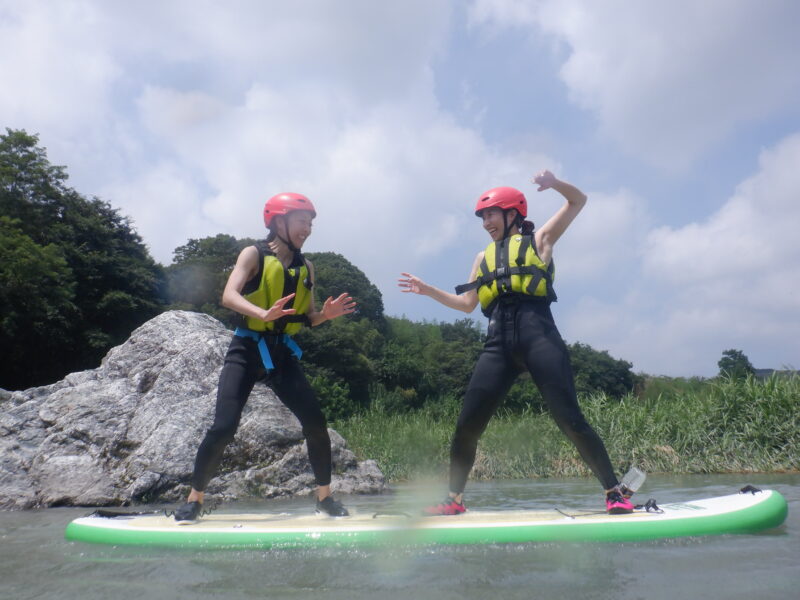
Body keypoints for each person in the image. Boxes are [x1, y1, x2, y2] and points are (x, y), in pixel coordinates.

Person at [398, 170, 635, 515]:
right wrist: (428, 289)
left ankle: (614, 492)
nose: (485, 222)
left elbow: (578, 201)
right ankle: (454, 500)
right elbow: (467, 305)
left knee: (570, 419)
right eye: (482, 217)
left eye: (491, 214)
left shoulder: (540, 240)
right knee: (467, 425)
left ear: (512, 214)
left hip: (539, 337)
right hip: (498, 346)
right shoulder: (483, 259)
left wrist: (554, 184)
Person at [173, 192, 356, 523]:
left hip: (282, 354)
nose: (308, 229)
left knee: (316, 424)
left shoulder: (307, 267)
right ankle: (194, 499)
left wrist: (325, 315)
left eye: (311, 223)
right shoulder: (253, 253)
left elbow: (309, 317)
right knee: (224, 427)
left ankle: (325, 499)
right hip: (246, 349)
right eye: (303, 221)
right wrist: (262, 313)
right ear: (279, 221)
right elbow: (228, 295)